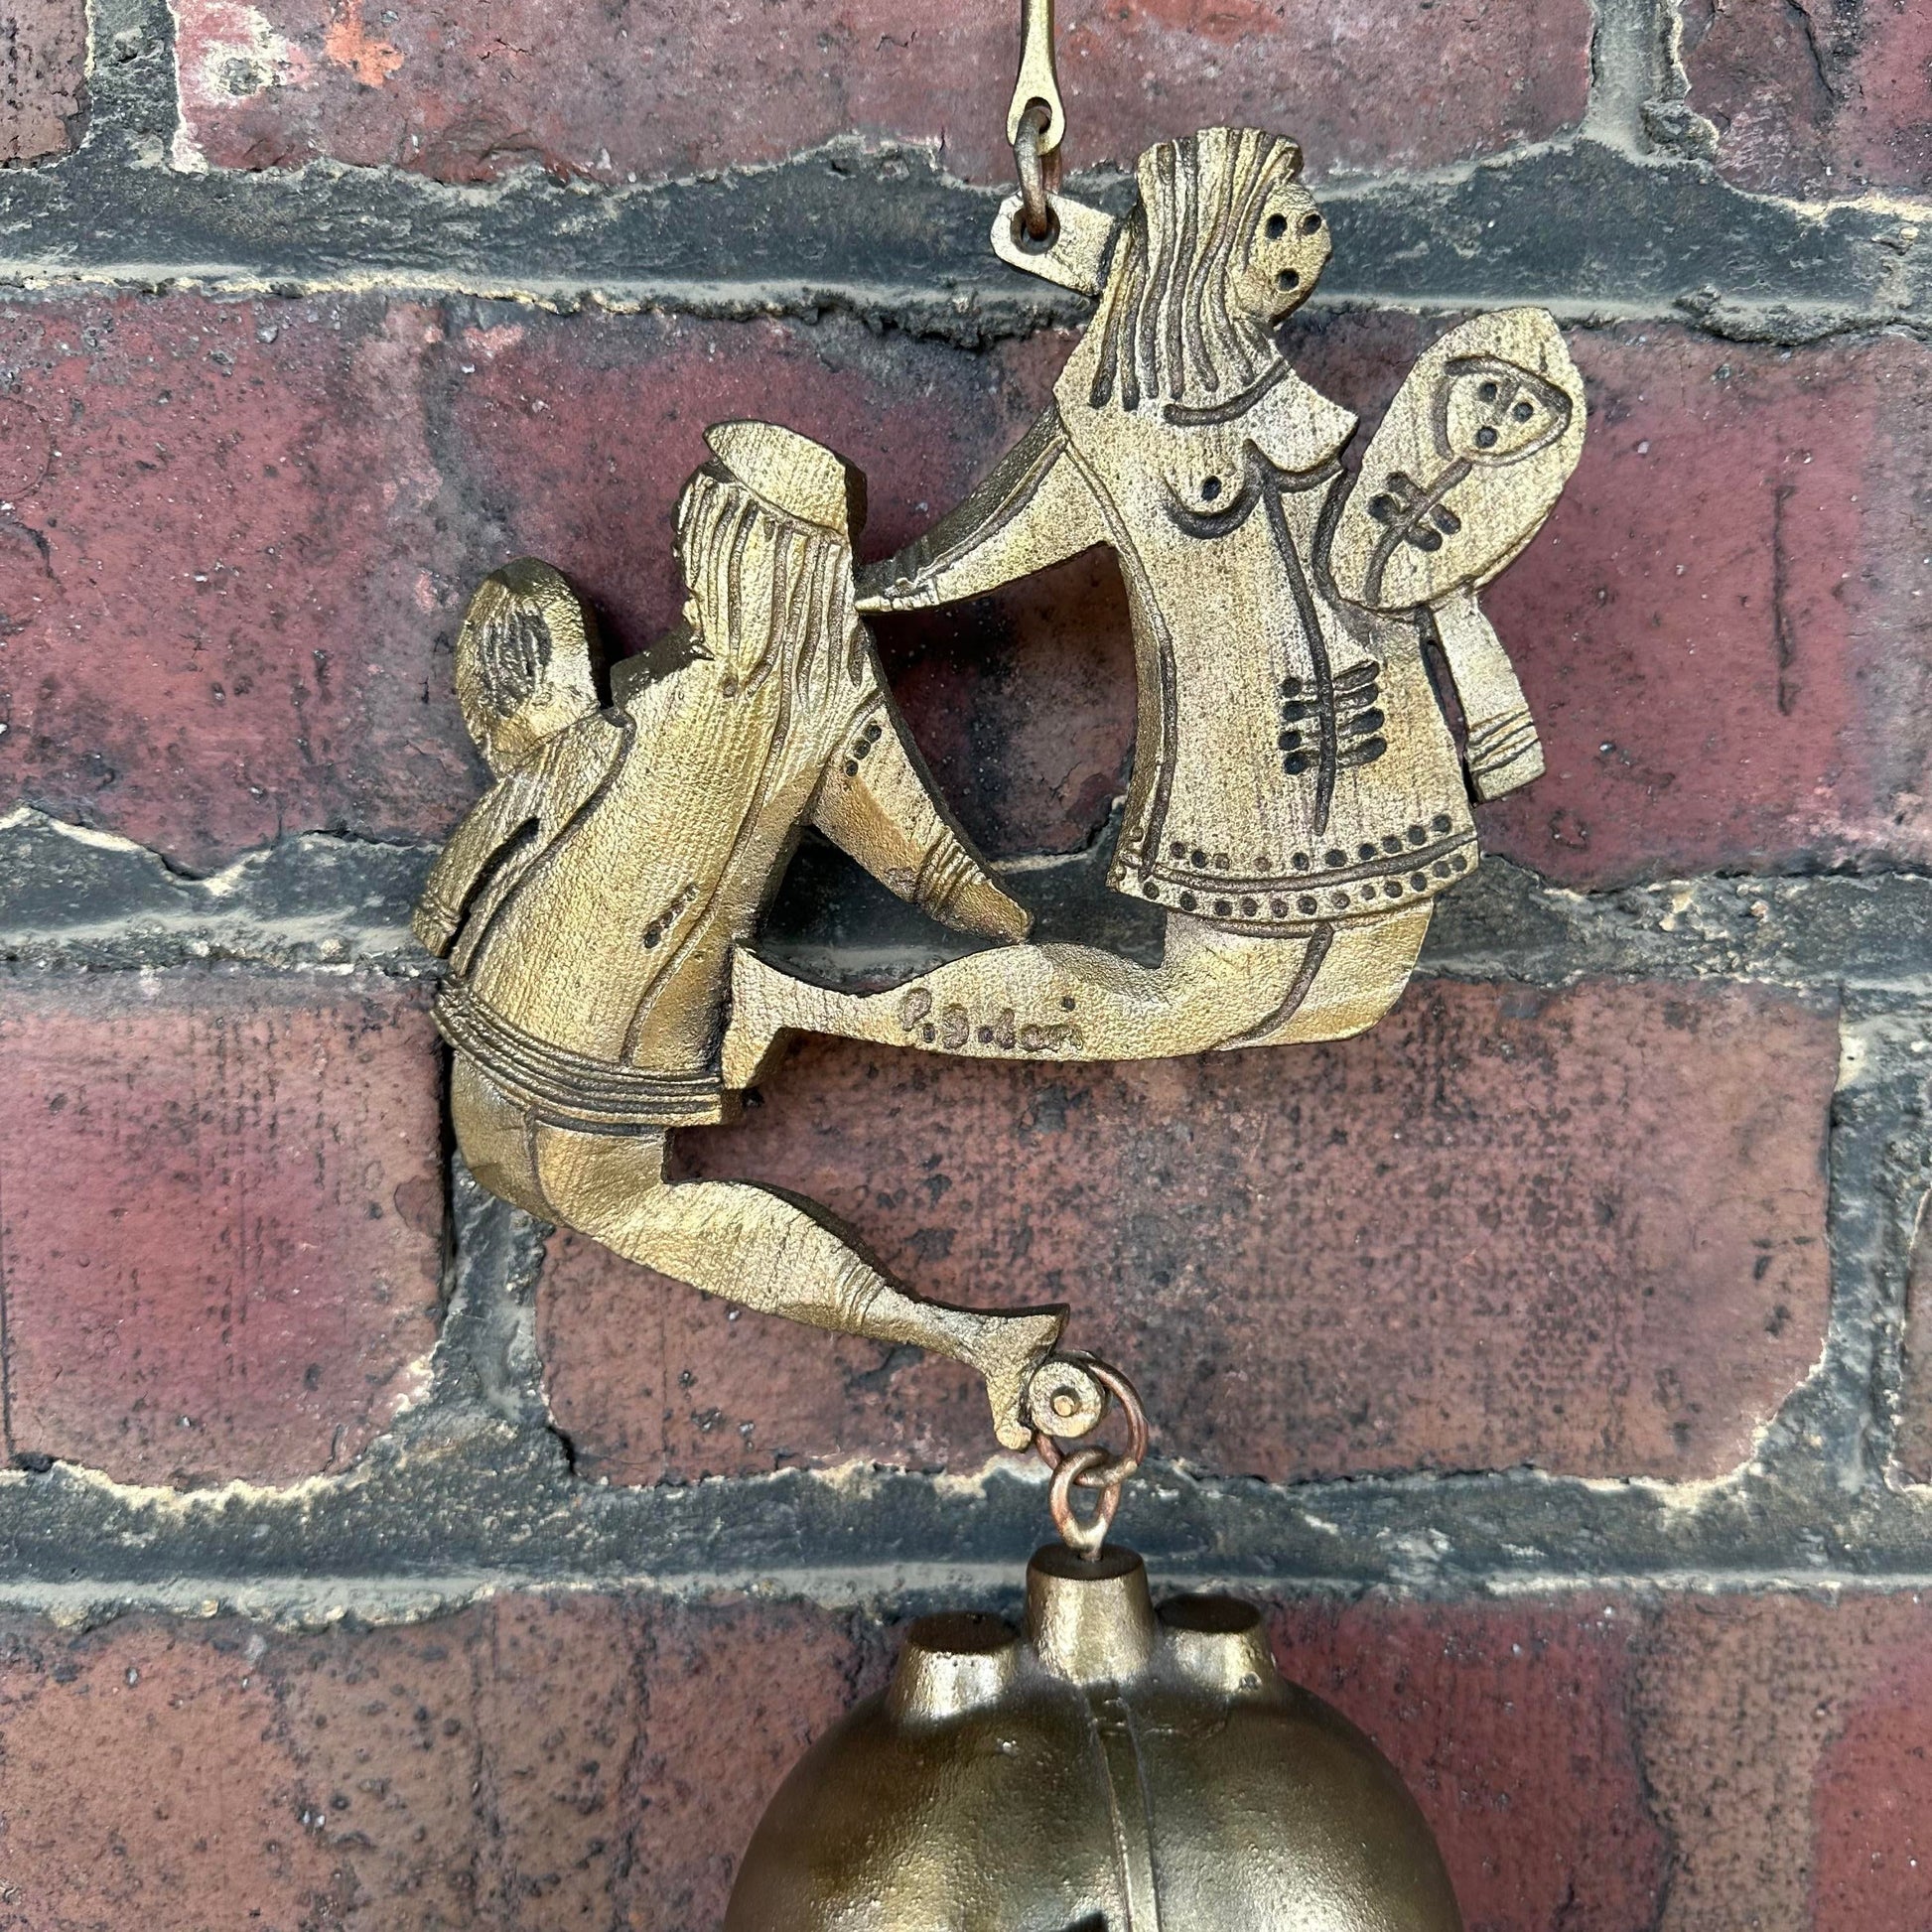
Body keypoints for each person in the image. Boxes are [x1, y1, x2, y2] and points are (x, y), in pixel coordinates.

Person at [722, 127, 1574, 1083]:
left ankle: (807, 1007)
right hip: (1241, 791)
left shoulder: (1296, 408)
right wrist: (863, 594)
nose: (1302, 244)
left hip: (1388, 765)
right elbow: (988, 543)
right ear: (1203, 243)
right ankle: (810, 1006)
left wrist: (1488, 710)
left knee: (1348, 1002)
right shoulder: (1118, 425)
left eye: (1301, 222)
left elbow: (1412, 565)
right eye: (1271, 226)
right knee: (1200, 1002)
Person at [415, 421, 1068, 1449]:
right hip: (526, 987)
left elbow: (923, 858)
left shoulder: (823, 717)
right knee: (539, 1178)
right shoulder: (681, 686)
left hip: (606, 1028)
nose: (688, 575)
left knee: (612, 1203)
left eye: (709, 546)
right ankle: (963, 1336)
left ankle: (959, 1334)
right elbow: (543, 784)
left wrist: (1022, 936)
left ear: (762, 563)